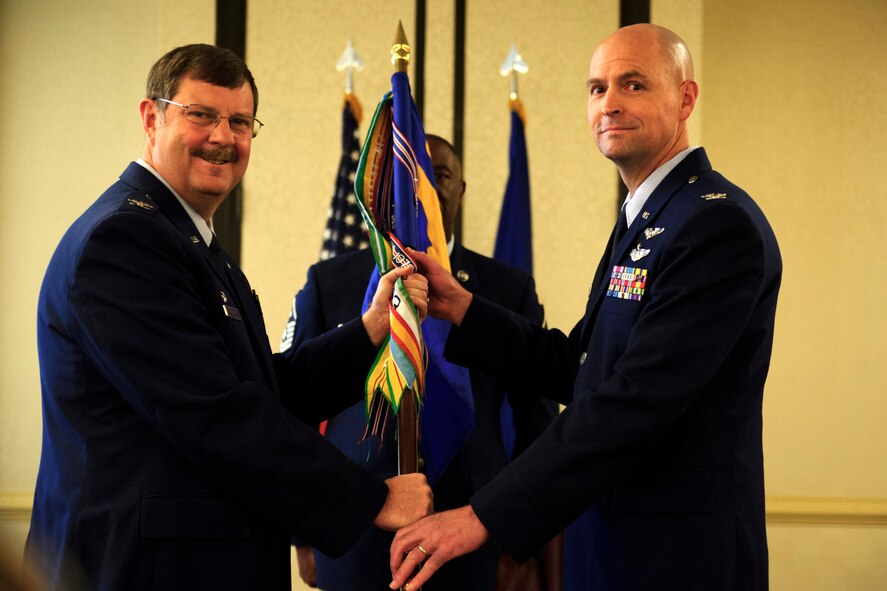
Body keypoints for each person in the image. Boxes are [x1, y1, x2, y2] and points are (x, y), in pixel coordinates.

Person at [26, 44, 433, 591]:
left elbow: (260, 388)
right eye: (202, 115)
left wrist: (369, 331)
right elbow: (214, 412)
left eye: (240, 122)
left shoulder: (186, 238)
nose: (223, 138)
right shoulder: (124, 240)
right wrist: (371, 497)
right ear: (152, 118)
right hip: (139, 569)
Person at [390, 23, 782, 591]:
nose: (610, 103)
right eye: (597, 88)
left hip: (677, 557)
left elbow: (632, 402)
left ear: (686, 98)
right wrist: (465, 308)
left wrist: (483, 515)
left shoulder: (715, 223)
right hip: (610, 540)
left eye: (634, 85)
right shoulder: (648, 214)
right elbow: (584, 366)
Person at [281, 135, 559, 590]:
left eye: (439, 176)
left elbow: (538, 422)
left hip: (473, 526)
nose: (421, 188)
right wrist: (303, 531)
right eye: (408, 175)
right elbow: (294, 409)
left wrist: (516, 534)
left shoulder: (506, 288)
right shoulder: (331, 281)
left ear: (460, 191)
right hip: (354, 529)